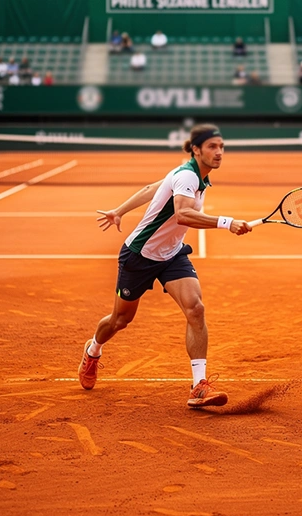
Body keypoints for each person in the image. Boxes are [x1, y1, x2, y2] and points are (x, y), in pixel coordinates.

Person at [78, 124, 252, 408]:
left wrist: (119, 211)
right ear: (196, 150)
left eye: (221, 146)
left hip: (171, 255)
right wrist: (227, 222)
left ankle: (199, 386)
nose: (219, 152)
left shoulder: (193, 176)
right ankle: (93, 350)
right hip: (140, 256)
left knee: (195, 308)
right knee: (120, 320)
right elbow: (184, 214)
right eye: (212, 147)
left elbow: (152, 188)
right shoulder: (187, 175)